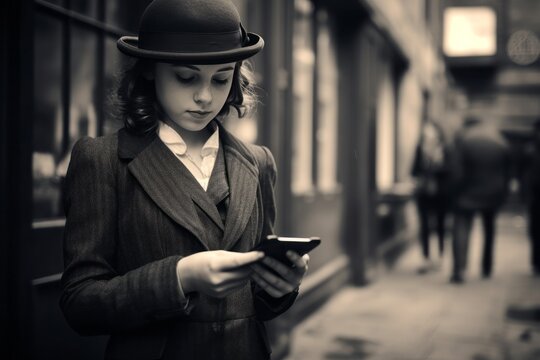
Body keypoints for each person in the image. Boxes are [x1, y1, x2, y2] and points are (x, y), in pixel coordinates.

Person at [59, 1, 309, 359]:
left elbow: (258, 305)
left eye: (221, 79)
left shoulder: (258, 162)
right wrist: (178, 278)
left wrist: (282, 285)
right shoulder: (102, 160)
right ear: (150, 70)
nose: (205, 96)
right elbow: (79, 302)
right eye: (186, 77)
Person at [449, 116, 511, 283]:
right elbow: (507, 173)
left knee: (461, 229)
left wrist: (454, 192)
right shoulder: (499, 140)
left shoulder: (464, 140)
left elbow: (457, 172)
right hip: (493, 193)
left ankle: (459, 269)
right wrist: (503, 193)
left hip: (467, 193)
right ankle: (487, 266)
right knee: (489, 229)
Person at [411, 120, 450, 274]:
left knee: (440, 224)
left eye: (430, 131)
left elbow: (449, 171)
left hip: (440, 193)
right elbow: (413, 170)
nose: (427, 134)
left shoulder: (444, 150)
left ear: (437, 133)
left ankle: (440, 256)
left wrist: (437, 165)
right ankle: (426, 257)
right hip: (424, 193)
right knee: (424, 225)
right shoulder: (420, 150)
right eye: (425, 131)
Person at [523, 119, 540, 276]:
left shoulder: (531, 150)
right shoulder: (530, 150)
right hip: (535, 196)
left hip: (534, 196)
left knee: (535, 229)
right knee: (535, 229)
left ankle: (536, 262)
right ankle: (536, 261)